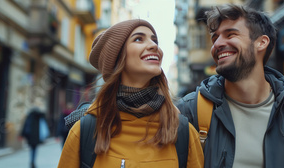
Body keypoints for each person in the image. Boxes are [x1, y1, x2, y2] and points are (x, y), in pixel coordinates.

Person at [176, 4, 284, 167]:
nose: (217, 44)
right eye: (215, 38)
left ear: (262, 42)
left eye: (231, 34)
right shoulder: (189, 112)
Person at [57, 19, 204, 168]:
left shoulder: (183, 131)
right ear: (117, 57)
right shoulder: (85, 130)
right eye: (139, 39)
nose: (154, 45)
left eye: (155, 41)